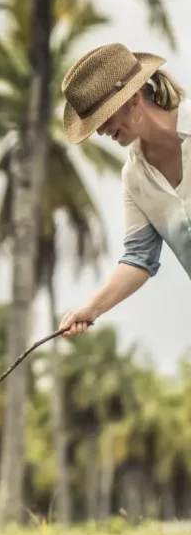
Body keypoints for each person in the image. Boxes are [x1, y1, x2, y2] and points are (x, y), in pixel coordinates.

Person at [56, 42, 188, 338]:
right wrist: (91, 308)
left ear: (133, 97)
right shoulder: (135, 178)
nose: (100, 130)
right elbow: (139, 259)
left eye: (104, 116)